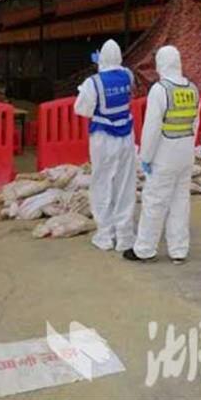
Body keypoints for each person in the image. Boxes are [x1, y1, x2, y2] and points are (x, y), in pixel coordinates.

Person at [123, 45, 199, 264]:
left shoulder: (160, 89)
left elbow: (152, 128)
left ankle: (145, 249)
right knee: (180, 203)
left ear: (162, 64)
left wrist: (146, 157)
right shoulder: (192, 89)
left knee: (155, 203)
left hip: (165, 155)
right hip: (185, 154)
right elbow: (195, 123)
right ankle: (179, 250)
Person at [74, 39, 136, 252]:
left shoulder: (93, 82)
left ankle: (105, 235)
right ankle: (125, 235)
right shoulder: (128, 75)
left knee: (102, 183)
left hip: (103, 138)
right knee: (125, 185)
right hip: (126, 136)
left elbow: (82, 109)